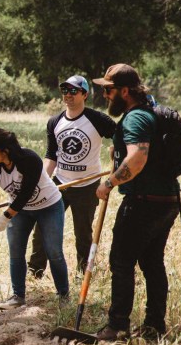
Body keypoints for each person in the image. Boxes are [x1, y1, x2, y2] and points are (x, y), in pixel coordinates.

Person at [92, 64, 181, 342]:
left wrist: (109, 182)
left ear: (125, 91)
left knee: (121, 261)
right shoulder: (148, 114)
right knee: (152, 262)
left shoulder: (135, 118)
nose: (105, 95)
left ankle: (117, 325)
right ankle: (154, 327)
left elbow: (138, 158)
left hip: (143, 203)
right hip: (167, 199)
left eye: (109, 89)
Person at [0, 128, 70, 310]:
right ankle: (18, 296)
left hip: (49, 207)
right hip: (20, 211)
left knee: (54, 251)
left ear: (5, 150)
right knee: (15, 251)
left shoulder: (29, 159)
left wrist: (4, 217)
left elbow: (25, 194)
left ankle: (63, 295)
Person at [28, 75, 117, 277]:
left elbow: (120, 135)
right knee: (42, 228)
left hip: (88, 185)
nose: (68, 95)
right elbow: (52, 155)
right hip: (60, 183)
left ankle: (83, 273)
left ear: (84, 94)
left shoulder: (97, 119)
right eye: (64, 90)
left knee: (83, 234)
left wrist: (116, 149)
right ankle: (35, 272)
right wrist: (42, 182)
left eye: (73, 91)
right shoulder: (55, 122)